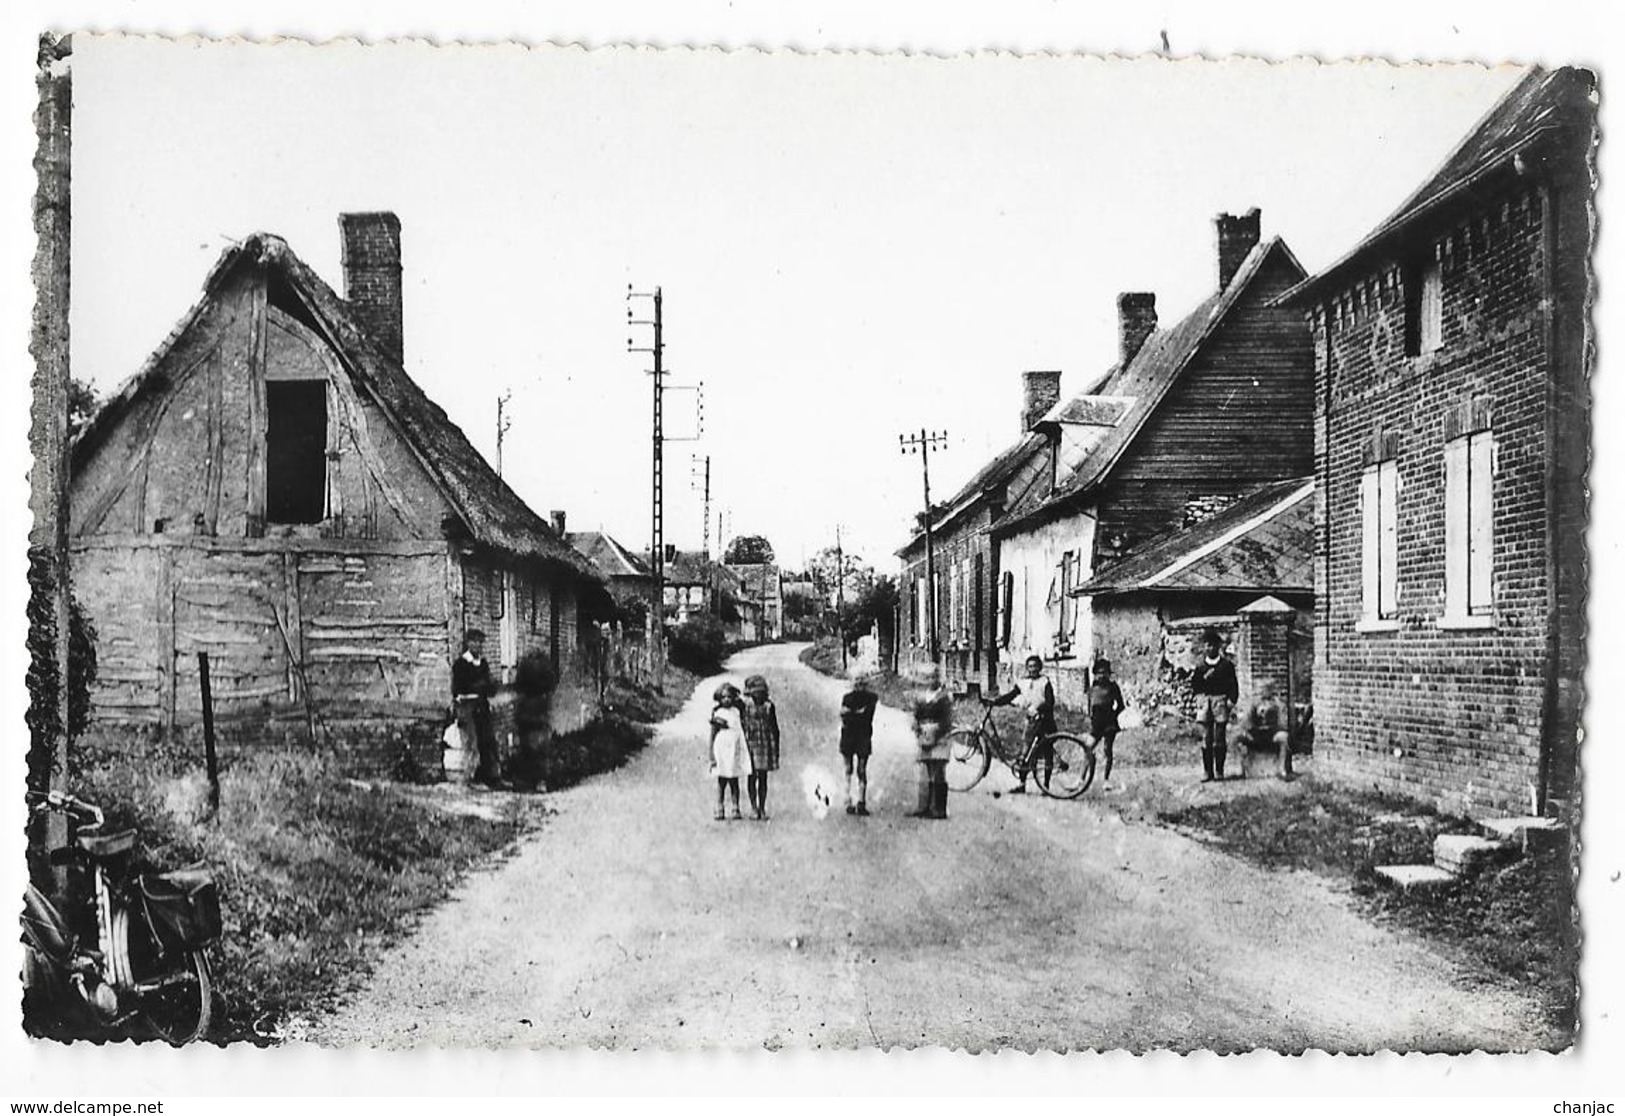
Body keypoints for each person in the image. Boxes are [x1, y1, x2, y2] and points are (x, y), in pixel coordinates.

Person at [988, 654, 1056, 794]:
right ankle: (1022, 784)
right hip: (1031, 722)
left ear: (1040, 668)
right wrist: (996, 702)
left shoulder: (1045, 682)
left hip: (1045, 721)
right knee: (1026, 753)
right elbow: (1011, 695)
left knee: (1047, 753)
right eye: (1030, 666)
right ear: (1026, 668)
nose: (1032, 669)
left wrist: (1040, 708)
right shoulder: (1023, 683)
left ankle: (1046, 786)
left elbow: (1050, 702)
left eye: (1035, 666)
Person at [452, 629, 502, 788]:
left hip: (482, 706)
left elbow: (489, 687)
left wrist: (487, 686)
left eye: (481, 643)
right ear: (468, 643)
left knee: (487, 741)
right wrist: (481, 685)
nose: (478, 646)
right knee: (471, 743)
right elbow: (461, 687)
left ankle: (491, 778)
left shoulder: (483, 663)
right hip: (467, 708)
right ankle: (472, 778)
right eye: (475, 642)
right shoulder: (461, 664)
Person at [1191, 627, 1238, 782]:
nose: (1209, 648)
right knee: (1206, 738)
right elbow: (1195, 685)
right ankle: (1207, 772)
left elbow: (1233, 685)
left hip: (1220, 702)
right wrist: (1198, 697)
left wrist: (1231, 701)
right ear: (1204, 647)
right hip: (1205, 703)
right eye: (1207, 645)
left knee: (1219, 738)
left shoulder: (1226, 666)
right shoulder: (1200, 667)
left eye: (1212, 645)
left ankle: (1219, 771)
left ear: (1218, 647)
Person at [910, 664, 954, 819]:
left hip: (940, 737)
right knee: (926, 772)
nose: (931, 680)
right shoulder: (922, 697)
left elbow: (947, 719)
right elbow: (916, 715)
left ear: (938, 677)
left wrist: (937, 729)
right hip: (925, 736)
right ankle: (925, 806)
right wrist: (916, 724)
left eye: (934, 676)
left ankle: (940, 808)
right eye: (927, 677)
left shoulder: (944, 697)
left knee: (938, 772)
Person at [741, 675, 781, 820]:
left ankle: (762, 807)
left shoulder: (769, 706)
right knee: (751, 777)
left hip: (765, 744)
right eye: (755, 692)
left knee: (763, 777)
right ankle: (753, 807)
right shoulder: (745, 705)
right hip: (750, 743)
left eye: (761, 692)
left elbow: (775, 728)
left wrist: (776, 748)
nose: (759, 695)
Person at [839, 672, 880, 816]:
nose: (859, 685)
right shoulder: (847, 697)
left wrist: (851, 714)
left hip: (862, 736)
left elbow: (866, 716)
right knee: (848, 769)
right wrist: (857, 714)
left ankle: (861, 801)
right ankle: (848, 800)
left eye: (862, 682)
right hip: (849, 737)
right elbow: (845, 715)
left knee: (862, 769)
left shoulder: (871, 698)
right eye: (857, 682)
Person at [708, 682, 749, 821]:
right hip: (722, 749)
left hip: (734, 748)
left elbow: (741, 728)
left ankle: (735, 807)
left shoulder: (736, 711)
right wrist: (712, 756)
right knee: (722, 780)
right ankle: (719, 807)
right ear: (719, 698)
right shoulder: (717, 713)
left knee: (734, 779)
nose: (727, 700)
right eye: (724, 697)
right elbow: (713, 735)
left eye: (729, 697)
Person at [1238, 682, 1293, 780]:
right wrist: (1250, 732)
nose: (1263, 692)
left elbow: (1283, 724)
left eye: (1266, 689)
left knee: (1284, 737)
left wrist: (1272, 722)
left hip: (1272, 734)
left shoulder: (1278, 704)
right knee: (1240, 738)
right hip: (1256, 735)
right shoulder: (1252, 704)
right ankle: (1247, 770)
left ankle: (1281, 769)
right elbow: (1246, 724)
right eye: (1261, 690)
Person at [1087, 659, 1126, 786]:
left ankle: (1106, 780)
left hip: (1109, 722)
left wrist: (1113, 715)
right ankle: (1082, 779)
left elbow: (1121, 705)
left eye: (1104, 672)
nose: (1101, 675)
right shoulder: (1093, 687)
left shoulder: (1113, 687)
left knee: (1107, 750)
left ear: (1109, 673)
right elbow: (1090, 705)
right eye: (1098, 673)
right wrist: (1091, 718)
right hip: (1096, 722)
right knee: (1087, 748)